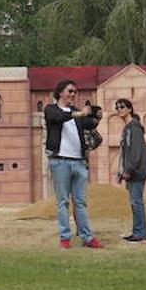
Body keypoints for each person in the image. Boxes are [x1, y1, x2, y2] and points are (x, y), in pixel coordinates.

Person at [44, 79, 103, 249]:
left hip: (78, 162)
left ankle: (87, 237)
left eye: (75, 92)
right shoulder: (51, 109)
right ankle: (65, 237)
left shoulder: (76, 113)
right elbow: (60, 118)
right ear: (60, 92)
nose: (73, 94)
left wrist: (96, 116)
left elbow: (89, 123)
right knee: (62, 202)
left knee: (81, 202)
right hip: (60, 161)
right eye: (70, 91)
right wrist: (81, 114)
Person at [115, 99, 146, 243]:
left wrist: (128, 170)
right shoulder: (128, 128)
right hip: (133, 171)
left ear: (130, 109)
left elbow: (135, 152)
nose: (119, 109)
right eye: (117, 107)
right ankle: (137, 231)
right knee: (135, 202)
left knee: (137, 202)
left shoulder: (134, 128)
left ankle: (142, 234)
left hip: (137, 171)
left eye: (122, 107)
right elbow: (125, 152)